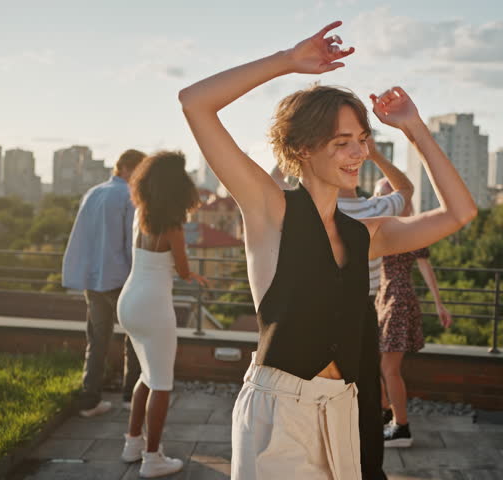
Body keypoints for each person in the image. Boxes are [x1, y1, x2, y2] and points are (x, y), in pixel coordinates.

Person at [178, 21, 477, 480]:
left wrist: (414, 127)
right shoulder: (269, 209)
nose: (358, 153)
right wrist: (286, 62)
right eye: (342, 143)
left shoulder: (363, 232)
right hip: (281, 412)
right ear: (302, 148)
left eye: (362, 140)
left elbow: (459, 213)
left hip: (345, 411)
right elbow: (195, 102)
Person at [116, 151, 209, 478]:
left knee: (147, 374)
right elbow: (183, 270)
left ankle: (132, 443)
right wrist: (193, 276)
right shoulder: (173, 226)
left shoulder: (139, 212)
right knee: (162, 383)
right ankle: (152, 458)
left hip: (129, 302)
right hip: (154, 307)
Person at [336, 138, 412, 480]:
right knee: (366, 399)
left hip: (322, 311)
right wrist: (376, 153)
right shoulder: (374, 210)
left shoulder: (315, 209)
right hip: (364, 311)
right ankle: (369, 471)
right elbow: (407, 189)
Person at [62, 149, 145, 418]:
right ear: (129, 169)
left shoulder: (93, 193)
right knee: (134, 338)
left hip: (93, 279)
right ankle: (131, 397)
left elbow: (81, 237)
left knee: (97, 340)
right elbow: (129, 243)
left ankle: (90, 400)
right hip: (120, 278)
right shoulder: (128, 197)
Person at [372, 178, 453, 448]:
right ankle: (386, 412)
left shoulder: (408, 230)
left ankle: (401, 427)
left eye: (388, 196)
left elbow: (425, 268)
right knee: (373, 364)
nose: (382, 201)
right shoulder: (381, 226)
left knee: (389, 369)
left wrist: (439, 304)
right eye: (379, 196)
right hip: (382, 300)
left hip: (399, 301)